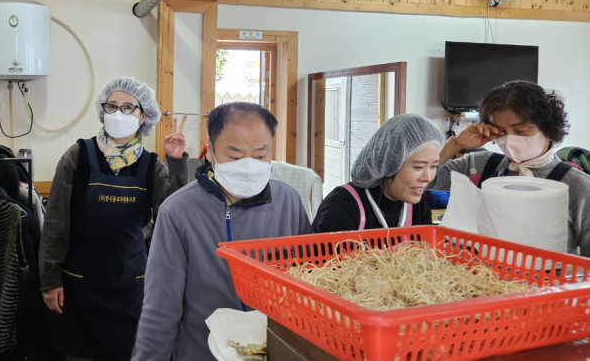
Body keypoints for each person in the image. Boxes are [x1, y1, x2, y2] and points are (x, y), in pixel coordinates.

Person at [132, 102, 313, 361]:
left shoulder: (288, 201)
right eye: (236, 157)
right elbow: (160, 307)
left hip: (276, 350)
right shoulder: (179, 211)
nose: (249, 166)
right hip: (202, 353)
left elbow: (310, 282)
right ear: (210, 150)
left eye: (260, 156)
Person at [38, 76, 188, 361]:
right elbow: (56, 222)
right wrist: (49, 277)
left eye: (128, 107)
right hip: (78, 286)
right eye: (112, 106)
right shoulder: (78, 156)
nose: (119, 113)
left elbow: (174, 215)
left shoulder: (152, 166)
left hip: (130, 288)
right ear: (103, 110)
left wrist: (176, 162)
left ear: (143, 116)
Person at [432, 81, 590, 256]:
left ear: (548, 128)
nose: (510, 139)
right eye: (501, 132)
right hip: (478, 270)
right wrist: (455, 145)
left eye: (521, 131)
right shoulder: (480, 166)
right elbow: (426, 179)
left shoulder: (578, 186)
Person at [312, 113, 444, 233]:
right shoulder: (342, 207)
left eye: (433, 166)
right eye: (418, 167)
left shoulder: (417, 208)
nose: (428, 178)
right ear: (391, 163)